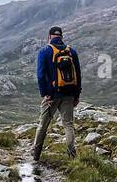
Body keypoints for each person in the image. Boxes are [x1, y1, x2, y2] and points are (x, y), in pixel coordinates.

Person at [32, 26, 81, 167]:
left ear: (49, 36)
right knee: (68, 125)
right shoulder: (71, 51)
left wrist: (45, 94)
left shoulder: (44, 51)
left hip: (51, 96)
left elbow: (41, 75)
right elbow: (78, 75)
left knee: (43, 125)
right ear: (61, 37)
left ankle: (36, 154)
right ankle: (72, 155)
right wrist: (76, 95)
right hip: (69, 94)